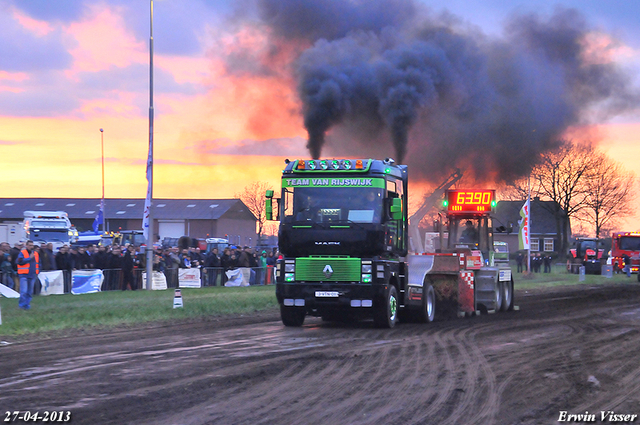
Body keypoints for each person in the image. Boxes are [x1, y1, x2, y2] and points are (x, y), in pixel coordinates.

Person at [16, 240, 40, 310]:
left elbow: (38, 263)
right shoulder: (22, 253)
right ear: (26, 246)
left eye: (32, 245)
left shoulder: (36, 254)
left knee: (29, 292)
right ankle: (21, 305)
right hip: (24, 274)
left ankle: (27, 305)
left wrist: (38, 271)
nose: (31, 247)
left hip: (32, 275)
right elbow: (19, 262)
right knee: (24, 291)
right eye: (29, 245)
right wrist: (29, 258)